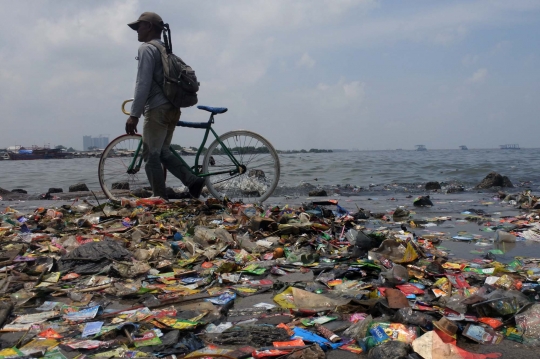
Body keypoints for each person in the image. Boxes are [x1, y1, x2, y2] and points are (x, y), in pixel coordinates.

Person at [125, 12, 205, 200]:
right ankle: (192, 181)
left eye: (140, 26)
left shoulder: (146, 49)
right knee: (163, 151)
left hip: (157, 109)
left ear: (150, 27)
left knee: (151, 154)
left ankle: (159, 197)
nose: (137, 31)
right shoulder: (166, 50)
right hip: (173, 109)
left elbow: (142, 83)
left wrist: (134, 114)